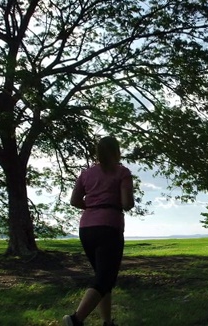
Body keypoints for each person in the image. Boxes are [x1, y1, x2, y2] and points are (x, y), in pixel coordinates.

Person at [63, 136, 134, 326]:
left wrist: (93, 205)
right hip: (109, 227)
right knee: (105, 278)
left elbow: (74, 200)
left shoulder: (86, 174)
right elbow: (127, 204)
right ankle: (75, 319)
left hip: (86, 228)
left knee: (103, 276)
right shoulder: (122, 173)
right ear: (117, 152)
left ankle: (107, 322)